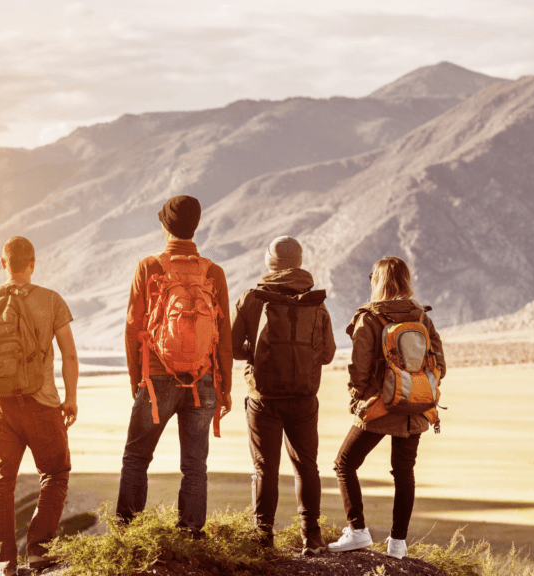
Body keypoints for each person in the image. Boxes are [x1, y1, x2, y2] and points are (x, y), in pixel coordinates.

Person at [116, 195, 233, 538]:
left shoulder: (149, 266)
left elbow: (132, 327)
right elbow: (223, 336)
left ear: (165, 225)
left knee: (137, 457)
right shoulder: (214, 272)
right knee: (195, 465)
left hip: (157, 377)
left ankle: (129, 534)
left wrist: (138, 379)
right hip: (203, 378)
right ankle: (191, 534)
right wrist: (223, 388)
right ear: (195, 226)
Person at [0, 236, 79, 576]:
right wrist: (70, 398)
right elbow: (69, 354)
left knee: (1, 484)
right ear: (33, 264)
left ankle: (5, 566)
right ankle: (39, 553)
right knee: (55, 475)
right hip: (42, 405)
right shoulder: (51, 300)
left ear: (3, 263)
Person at [327, 256, 446, 559]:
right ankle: (398, 544)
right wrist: (413, 386)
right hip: (417, 407)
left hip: (380, 407)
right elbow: (440, 365)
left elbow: (359, 368)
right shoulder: (421, 317)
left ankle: (357, 532)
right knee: (404, 472)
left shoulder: (369, 317)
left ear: (377, 282)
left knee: (344, 464)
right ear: (406, 281)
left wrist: (358, 399)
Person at [229, 235, 337, 555]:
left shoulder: (253, 298)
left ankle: (263, 537)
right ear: (299, 262)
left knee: (265, 469)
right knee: (307, 467)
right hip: (304, 398)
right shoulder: (315, 301)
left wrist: (258, 354)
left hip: (263, 399)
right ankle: (312, 537)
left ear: (270, 262)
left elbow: (233, 348)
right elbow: (329, 354)